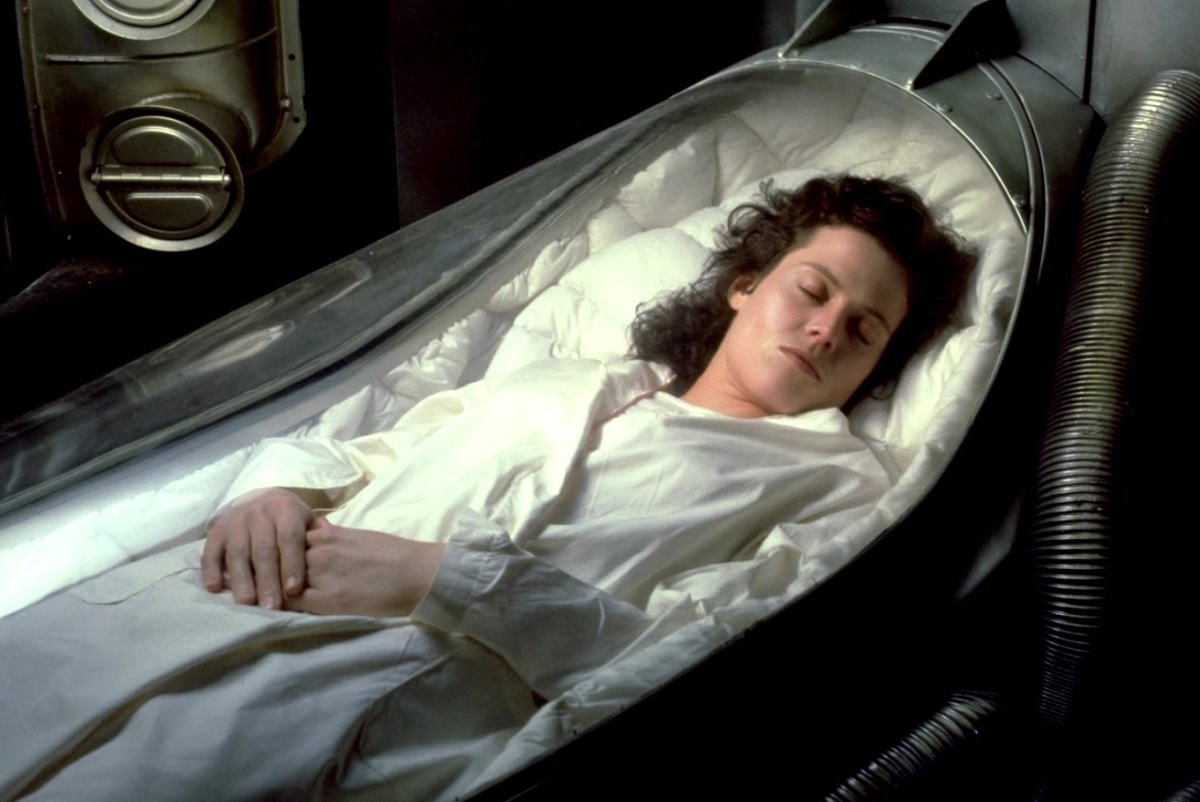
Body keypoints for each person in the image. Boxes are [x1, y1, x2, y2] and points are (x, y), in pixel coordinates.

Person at [0, 175, 972, 802]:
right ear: (745, 285)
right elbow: (367, 447)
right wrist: (275, 491)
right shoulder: (561, 381)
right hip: (196, 600)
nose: (826, 329)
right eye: (813, 289)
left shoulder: (837, 482)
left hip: (351, 712)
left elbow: (710, 664)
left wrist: (458, 580)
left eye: (865, 329)